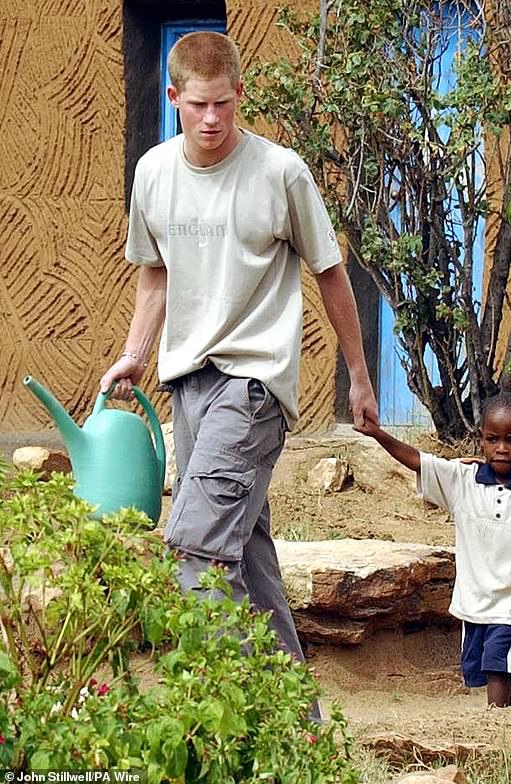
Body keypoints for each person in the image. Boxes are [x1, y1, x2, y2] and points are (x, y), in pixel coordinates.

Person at [100, 32, 378, 680]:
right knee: (248, 562)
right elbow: (156, 274)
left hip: (254, 384)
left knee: (194, 547)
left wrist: (360, 378)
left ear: (240, 95)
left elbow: (331, 271)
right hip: (188, 384)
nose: (212, 118)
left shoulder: (280, 172)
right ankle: (299, 738)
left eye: (224, 103)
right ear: (173, 98)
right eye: (198, 105)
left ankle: (227, 719)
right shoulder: (154, 173)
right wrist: (135, 352)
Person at [354, 392, 511, 708]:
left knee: (496, 663)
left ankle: (495, 725)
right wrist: (378, 434)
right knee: (495, 668)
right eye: (492, 439)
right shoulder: (463, 478)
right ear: (480, 439)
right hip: (475, 602)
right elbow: (419, 461)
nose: (502, 448)